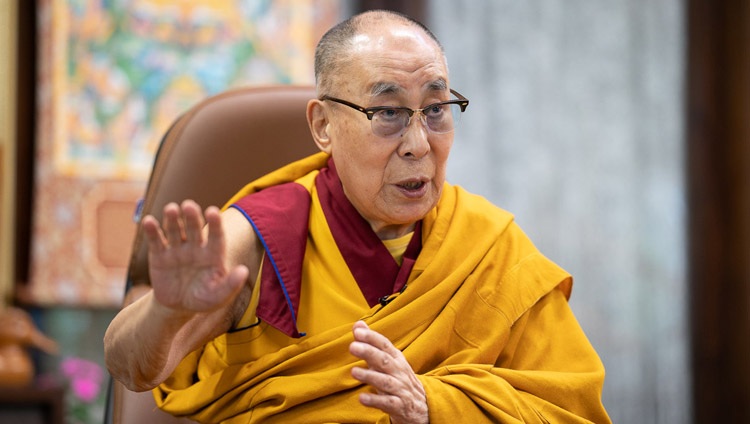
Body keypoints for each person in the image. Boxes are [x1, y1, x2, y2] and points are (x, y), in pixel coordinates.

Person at [104, 9, 611, 424]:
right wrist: (166, 314)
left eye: (436, 110)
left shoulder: (489, 247)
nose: (419, 145)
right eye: (387, 113)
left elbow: (572, 410)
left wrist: (434, 406)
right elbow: (132, 368)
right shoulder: (260, 237)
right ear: (323, 125)